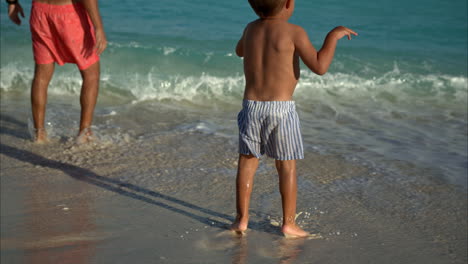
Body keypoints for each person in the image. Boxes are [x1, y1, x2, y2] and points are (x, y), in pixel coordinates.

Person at [230, 0, 357, 238]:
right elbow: (319, 66)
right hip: (281, 109)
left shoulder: (250, 28)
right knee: (286, 166)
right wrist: (332, 36)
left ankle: (241, 219)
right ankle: (289, 223)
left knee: (247, 163)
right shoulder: (294, 32)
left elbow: (240, 51)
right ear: (288, 3)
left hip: (251, 107)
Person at [6, 0, 107, 143]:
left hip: (39, 13)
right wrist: (99, 27)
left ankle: (39, 133)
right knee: (91, 74)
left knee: (41, 76)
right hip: (68, 14)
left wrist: (12, 2)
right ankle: (85, 132)